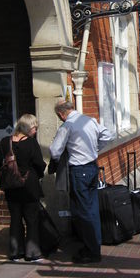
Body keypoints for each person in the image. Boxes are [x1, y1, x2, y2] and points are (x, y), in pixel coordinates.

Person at [49, 100, 112, 264]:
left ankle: (92, 251)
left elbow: (55, 151)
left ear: (61, 114)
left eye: (59, 116)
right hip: (92, 167)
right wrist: (95, 149)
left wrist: (62, 156)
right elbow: (108, 135)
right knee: (91, 208)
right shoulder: (90, 120)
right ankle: (93, 244)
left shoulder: (67, 126)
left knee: (83, 211)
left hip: (78, 170)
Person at [0, 114, 46, 262]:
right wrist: (39, 174)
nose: (35, 131)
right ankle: (32, 253)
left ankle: (15, 252)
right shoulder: (31, 143)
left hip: (11, 186)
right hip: (29, 186)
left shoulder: (5, 142)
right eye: (34, 127)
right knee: (31, 219)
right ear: (27, 127)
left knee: (15, 218)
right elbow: (39, 164)